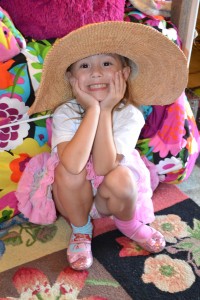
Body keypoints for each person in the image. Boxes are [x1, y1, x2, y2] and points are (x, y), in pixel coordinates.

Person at [23, 21, 188, 271]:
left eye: (107, 63)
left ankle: (129, 224)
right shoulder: (65, 113)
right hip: (77, 200)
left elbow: (102, 166)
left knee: (121, 178)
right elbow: (73, 164)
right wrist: (92, 110)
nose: (96, 72)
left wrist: (108, 108)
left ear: (124, 73)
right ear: (71, 77)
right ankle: (81, 230)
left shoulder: (130, 114)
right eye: (85, 65)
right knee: (67, 171)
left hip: (110, 196)